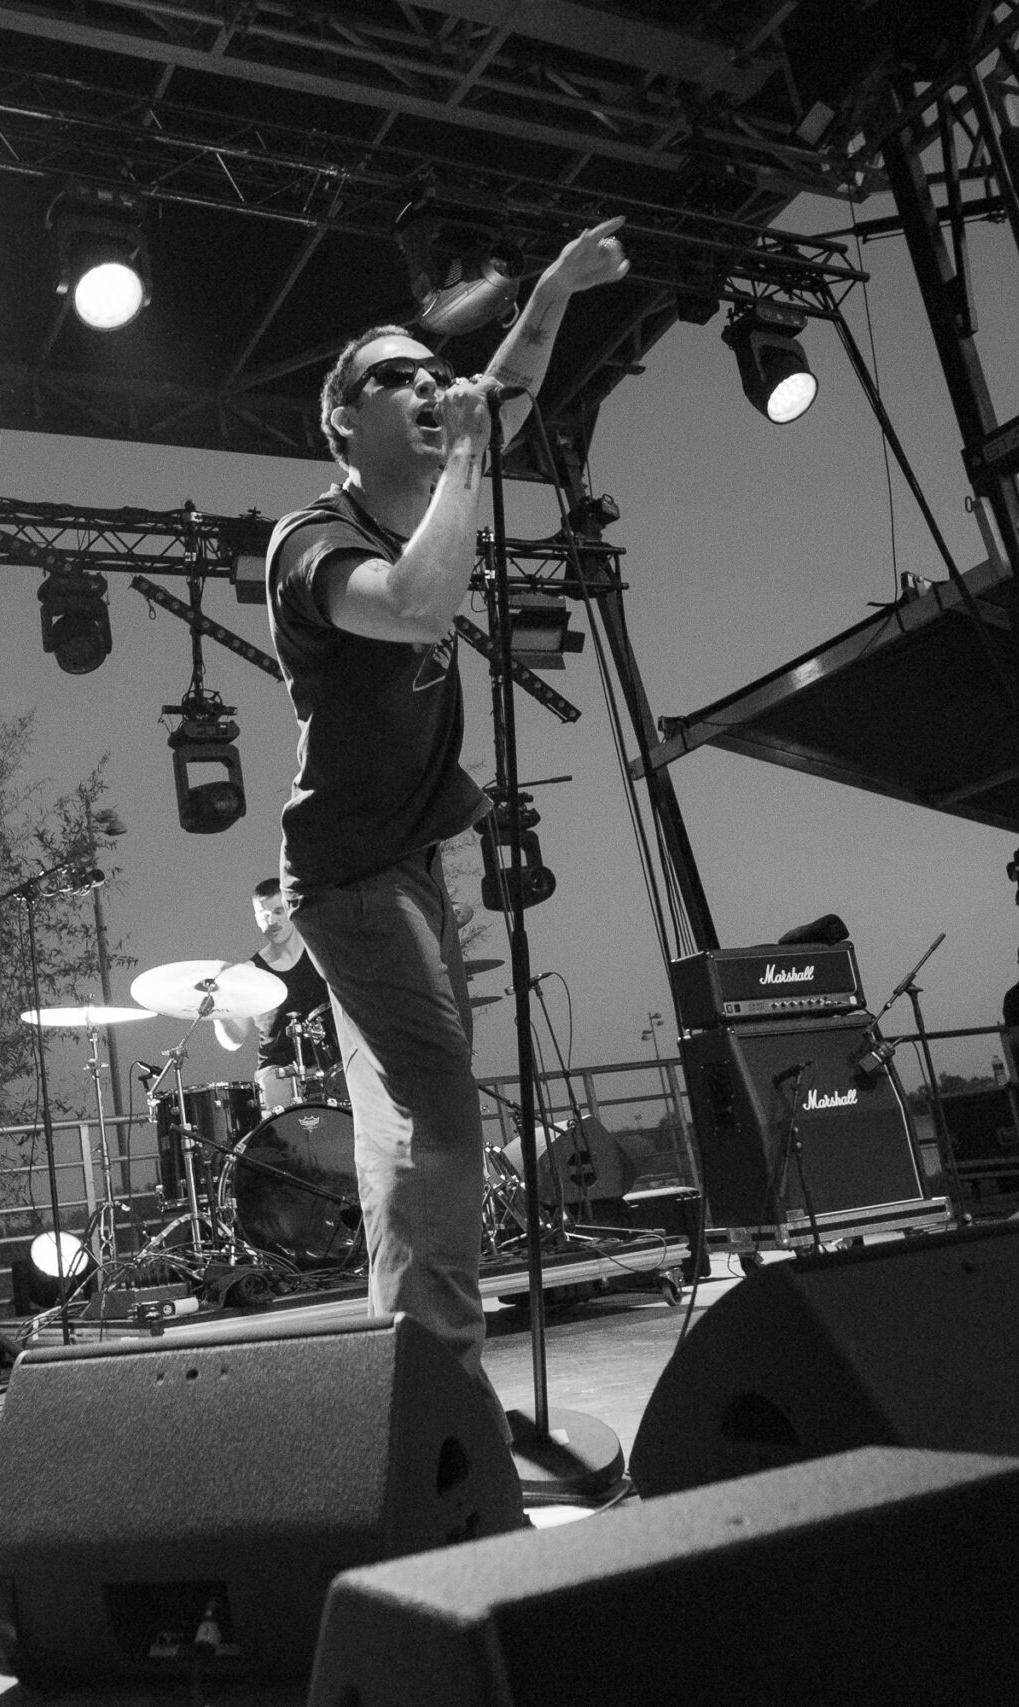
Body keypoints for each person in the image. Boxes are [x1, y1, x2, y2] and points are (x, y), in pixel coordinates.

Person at [265, 216, 630, 1401]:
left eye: (434, 374)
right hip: (351, 868)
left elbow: (501, 396)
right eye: (396, 378)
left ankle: (407, 1383)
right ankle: (444, 1399)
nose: (429, 387)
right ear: (341, 420)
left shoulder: (430, 487)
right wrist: (469, 455)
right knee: (439, 1116)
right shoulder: (312, 539)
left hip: (409, 857)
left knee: (404, 1125)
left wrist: (555, 290)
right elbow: (417, 606)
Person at [213, 878, 334, 1108]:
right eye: (264, 915)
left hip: (330, 1064)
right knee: (280, 1109)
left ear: (292, 908)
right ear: (256, 918)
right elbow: (234, 1041)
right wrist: (218, 1010)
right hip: (277, 1073)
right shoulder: (250, 972)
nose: (272, 921)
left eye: (278, 911)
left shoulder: (321, 952)